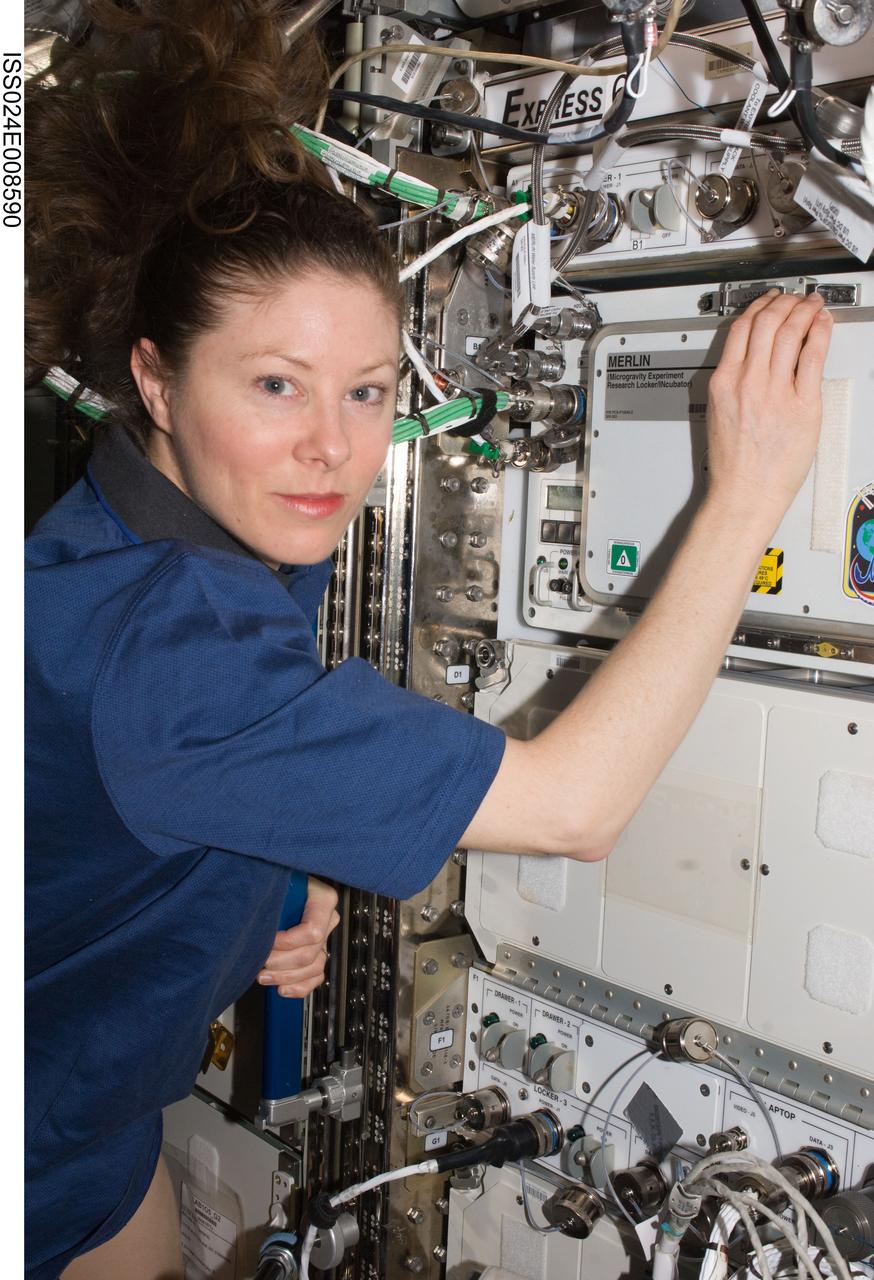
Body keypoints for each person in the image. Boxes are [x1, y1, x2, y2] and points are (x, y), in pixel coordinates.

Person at [24, 2, 834, 1277]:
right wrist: (748, 490)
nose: (332, 449)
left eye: (368, 392)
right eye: (275, 384)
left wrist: (258, 887)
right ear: (158, 381)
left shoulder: (145, 535)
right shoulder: (163, 641)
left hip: (90, 1114)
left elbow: (150, 789)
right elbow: (577, 806)